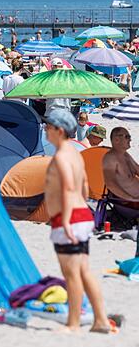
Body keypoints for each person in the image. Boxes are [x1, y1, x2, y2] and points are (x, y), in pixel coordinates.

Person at [42, 109, 112, 333]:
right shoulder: (75, 155)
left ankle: (73, 324)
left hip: (68, 219)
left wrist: (68, 222)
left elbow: (68, 188)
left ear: (59, 130)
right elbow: (82, 187)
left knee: (71, 273)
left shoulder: (62, 156)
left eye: (48, 127)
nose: (45, 129)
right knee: (83, 271)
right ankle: (100, 319)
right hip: (81, 215)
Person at [102, 127, 139, 202]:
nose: (130, 140)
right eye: (127, 137)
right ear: (116, 139)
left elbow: (137, 170)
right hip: (129, 204)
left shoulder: (125, 155)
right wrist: (131, 199)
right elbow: (110, 184)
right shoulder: (110, 158)